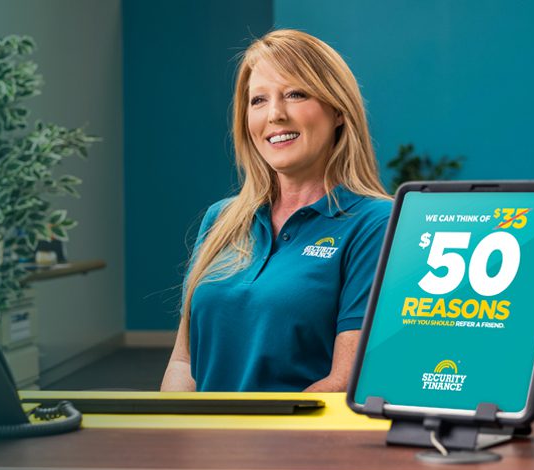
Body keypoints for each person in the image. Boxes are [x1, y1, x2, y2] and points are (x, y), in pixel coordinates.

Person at [160, 29, 392, 392]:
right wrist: (175, 438)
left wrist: (245, 445)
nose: (275, 115)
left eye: (295, 94)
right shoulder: (221, 219)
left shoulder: (377, 224)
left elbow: (346, 381)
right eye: (258, 100)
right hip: (205, 444)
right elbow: (184, 361)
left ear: (339, 111)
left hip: (295, 446)